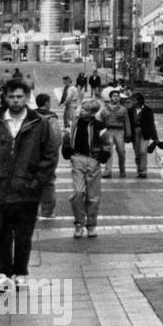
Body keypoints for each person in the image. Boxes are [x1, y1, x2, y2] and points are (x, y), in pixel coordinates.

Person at [0, 79, 59, 292]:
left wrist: (37, 182)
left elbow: (49, 155)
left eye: (19, 96)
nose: (15, 101)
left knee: (23, 236)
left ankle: (20, 272)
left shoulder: (39, 123)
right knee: (0, 234)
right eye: (11, 97)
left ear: (27, 97)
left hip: (27, 190)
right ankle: (2, 274)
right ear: (5, 97)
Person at [64, 98, 113, 237]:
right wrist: (68, 152)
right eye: (81, 108)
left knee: (93, 196)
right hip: (77, 159)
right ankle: (79, 222)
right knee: (78, 192)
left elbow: (107, 142)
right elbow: (67, 137)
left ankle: (91, 225)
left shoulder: (99, 125)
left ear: (92, 112)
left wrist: (101, 157)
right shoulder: (74, 123)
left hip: (93, 160)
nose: (81, 111)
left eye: (85, 109)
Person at [33, 93, 63, 219]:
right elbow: (56, 138)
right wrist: (53, 153)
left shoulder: (30, 116)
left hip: (30, 155)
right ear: (47, 103)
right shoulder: (51, 118)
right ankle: (48, 211)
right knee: (48, 182)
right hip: (47, 154)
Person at [97, 89, 129, 178]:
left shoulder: (123, 109)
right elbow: (100, 123)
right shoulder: (104, 110)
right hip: (108, 131)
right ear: (110, 97)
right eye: (114, 96)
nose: (116, 98)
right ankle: (107, 171)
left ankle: (122, 170)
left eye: (117, 96)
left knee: (121, 152)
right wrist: (100, 135)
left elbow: (127, 122)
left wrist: (128, 134)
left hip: (119, 131)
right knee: (108, 151)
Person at [129, 92, 159, 180]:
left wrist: (155, 137)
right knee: (137, 153)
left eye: (134, 100)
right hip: (135, 133)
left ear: (139, 101)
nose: (132, 102)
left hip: (145, 133)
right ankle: (139, 170)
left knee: (143, 151)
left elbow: (151, 124)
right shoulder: (130, 110)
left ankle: (143, 171)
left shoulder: (147, 110)